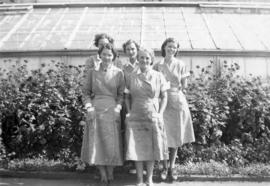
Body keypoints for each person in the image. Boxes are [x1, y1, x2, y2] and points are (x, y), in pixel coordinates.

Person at [81, 43, 125, 184]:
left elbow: (121, 95)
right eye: (104, 54)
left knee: (112, 143)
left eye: (110, 54)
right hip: (95, 110)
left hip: (112, 111)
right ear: (100, 55)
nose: (107, 57)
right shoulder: (92, 72)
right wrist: (89, 109)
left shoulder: (119, 73)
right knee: (97, 143)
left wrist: (118, 109)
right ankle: (102, 173)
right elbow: (86, 93)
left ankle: (111, 172)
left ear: (114, 56)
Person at [125, 47, 169, 186]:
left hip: (152, 114)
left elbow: (164, 96)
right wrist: (129, 111)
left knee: (151, 147)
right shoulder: (131, 76)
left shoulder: (158, 75)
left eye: (147, 58)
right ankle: (139, 179)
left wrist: (160, 114)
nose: (144, 60)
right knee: (136, 147)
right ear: (138, 59)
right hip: (136, 114)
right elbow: (126, 96)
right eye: (142, 57)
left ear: (151, 60)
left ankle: (149, 179)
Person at [153, 38, 195, 181]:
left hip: (177, 100)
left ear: (177, 49)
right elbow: (153, 84)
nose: (171, 49)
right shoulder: (157, 65)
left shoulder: (180, 64)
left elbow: (185, 85)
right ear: (164, 47)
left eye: (174, 47)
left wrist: (177, 89)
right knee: (163, 135)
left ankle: (172, 167)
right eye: (169, 46)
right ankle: (163, 167)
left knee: (175, 136)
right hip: (162, 102)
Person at [121, 39, 140, 174]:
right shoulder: (124, 68)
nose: (131, 51)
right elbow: (124, 88)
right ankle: (133, 163)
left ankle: (144, 161)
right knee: (131, 131)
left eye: (133, 49)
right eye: (128, 49)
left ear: (137, 50)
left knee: (143, 130)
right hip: (128, 102)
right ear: (125, 51)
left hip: (142, 101)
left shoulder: (144, 62)